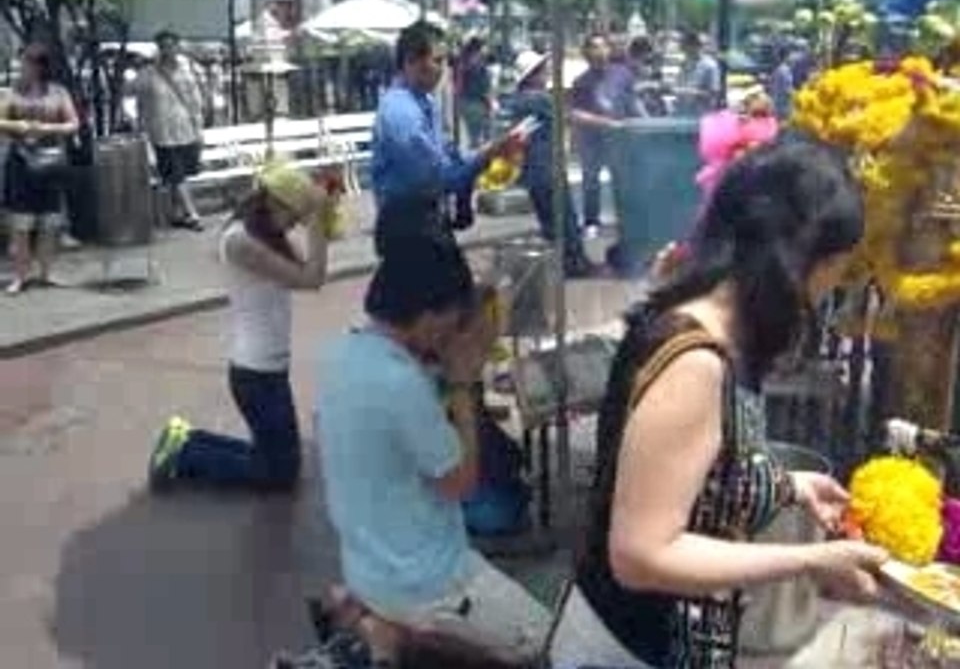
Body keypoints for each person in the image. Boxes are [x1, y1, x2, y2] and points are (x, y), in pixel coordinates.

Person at [549, 140, 888, 669]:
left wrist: (791, 486)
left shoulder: (718, 325)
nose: (834, 288)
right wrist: (812, 558)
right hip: (628, 650)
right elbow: (641, 555)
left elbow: (700, 470)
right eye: (837, 267)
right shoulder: (696, 362)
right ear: (798, 261)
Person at [313, 207, 552, 665]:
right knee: (548, 642)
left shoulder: (345, 353)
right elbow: (460, 483)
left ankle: (374, 625)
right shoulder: (401, 385)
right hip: (426, 583)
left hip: (366, 565)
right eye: (449, 318)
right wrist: (463, 383)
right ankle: (388, 634)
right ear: (427, 316)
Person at [147, 162, 329, 493]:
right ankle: (186, 452)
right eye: (294, 217)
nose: (294, 226)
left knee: (278, 463)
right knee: (279, 475)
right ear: (275, 204)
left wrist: (316, 218)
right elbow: (312, 279)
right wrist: (318, 220)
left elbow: (308, 268)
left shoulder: (265, 236)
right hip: (255, 373)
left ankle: (186, 439)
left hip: (268, 368)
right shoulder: (240, 241)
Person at [371, 21, 513, 232]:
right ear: (411, 61)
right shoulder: (401, 113)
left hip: (428, 219)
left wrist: (486, 153)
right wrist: (484, 158)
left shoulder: (425, 102)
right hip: (407, 226)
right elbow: (434, 178)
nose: (443, 69)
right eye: (437, 60)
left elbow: (447, 159)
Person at [0, 41, 80, 295]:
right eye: (22, 62)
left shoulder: (58, 92)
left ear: (39, 66)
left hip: (51, 161)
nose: (22, 67)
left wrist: (47, 129)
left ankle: (46, 272)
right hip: (21, 163)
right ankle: (20, 276)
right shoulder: (11, 93)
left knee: (49, 221)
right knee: (21, 224)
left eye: (26, 62)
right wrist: (20, 126)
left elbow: (73, 123)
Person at [510, 50, 594, 278]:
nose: (546, 72)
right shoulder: (536, 99)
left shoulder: (519, 99)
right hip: (546, 169)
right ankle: (574, 265)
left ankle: (563, 266)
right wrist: (608, 123)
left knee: (551, 222)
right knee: (563, 220)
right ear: (532, 75)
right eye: (542, 69)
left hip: (535, 171)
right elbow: (569, 114)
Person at [570, 33, 641, 239]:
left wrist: (642, 122)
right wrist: (607, 123)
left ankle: (626, 221)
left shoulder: (622, 75)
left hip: (619, 139)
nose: (600, 51)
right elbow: (575, 113)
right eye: (594, 47)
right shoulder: (581, 82)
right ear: (586, 53)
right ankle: (591, 222)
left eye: (603, 47)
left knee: (623, 179)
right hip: (592, 140)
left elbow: (632, 102)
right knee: (590, 181)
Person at [136, 29, 206, 231]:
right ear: (159, 48)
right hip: (162, 133)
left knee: (179, 174)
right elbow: (133, 92)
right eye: (164, 46)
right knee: (177, 174)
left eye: (172, 45)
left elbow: (195, 102)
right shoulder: (149, 73)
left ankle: (176, 213)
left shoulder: (187, 70)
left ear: (177, 46)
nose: (168, 50)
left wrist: (199, 128)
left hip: (186, 130)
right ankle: (192, 214)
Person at [457, 36, 495, 149]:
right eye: (485, 46)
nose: (487, 49)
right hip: (477, 103)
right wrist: (490, 104)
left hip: (464, 102)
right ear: (480, 48)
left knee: (473, 139)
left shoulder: (464, 60)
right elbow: (484, 88)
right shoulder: (479, 64)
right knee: (483, 140)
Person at [674, 31, 722, 118]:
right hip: (683, 114)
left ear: (695, 46)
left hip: (701, 116)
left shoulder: (710, 66)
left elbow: (714, 95)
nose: (684, 50)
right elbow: (679, 85)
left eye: (686, 47)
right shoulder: (685, 63)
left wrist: (689, 92)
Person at [769, 45, 796, 121]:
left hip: (778, 106)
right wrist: (799, 96)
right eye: (791, 55)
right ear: (787, 56)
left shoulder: (778, 69)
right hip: (784, 107)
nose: (793, 58)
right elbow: (788, 90)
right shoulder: (785, 70)